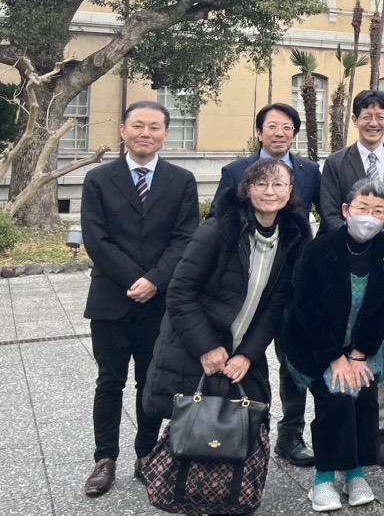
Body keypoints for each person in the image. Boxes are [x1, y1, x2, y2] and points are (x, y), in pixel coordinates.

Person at [144, 158, 310, 460]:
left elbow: (274, 306)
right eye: (261, 184)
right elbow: (180, 292)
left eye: (278, 184)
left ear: (290, 191)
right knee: (193, 427)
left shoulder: (291, 238)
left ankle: (229, 484)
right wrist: (206, 347)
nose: (269, 192)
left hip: (242, 348)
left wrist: (248, 353)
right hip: (197, 341)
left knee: (242, 424)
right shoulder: (219, 229)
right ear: (246, 188)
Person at [80, 101, 199, 498]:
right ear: (123, 130)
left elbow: (185, 238)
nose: (145, 133)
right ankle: (105, 458)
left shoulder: (182, 180)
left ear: (165, 133)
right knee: (109, 380)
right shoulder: (99, 179)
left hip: (159, 302)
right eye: (137, 126)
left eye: (154, 127)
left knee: (152, 380)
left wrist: (155, 280)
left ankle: (146, 453)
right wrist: (136, 279)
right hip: (111, 297)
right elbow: (96, 238)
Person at [210, 102, 322, 467]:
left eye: (287, 127)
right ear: (259, 132)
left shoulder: (309, 171)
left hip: (289, 284)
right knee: (242, 360)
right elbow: (216, 220)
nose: (280, 133)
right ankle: (236, 433)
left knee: (293, 363)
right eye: (272, 126)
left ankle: (290, 435)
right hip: (243, 285)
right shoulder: (236, 170)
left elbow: (325, 217)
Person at [284, 178, 384, 513]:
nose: (369, 217)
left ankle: (355, 472)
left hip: (362, 345)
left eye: (377, 211)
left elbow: (383, 307)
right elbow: (306, 308)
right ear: (347, 210)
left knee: (363, 393)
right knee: (336, 397)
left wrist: (359, 354)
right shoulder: (319, 249)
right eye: (362, 208)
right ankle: (323, 478)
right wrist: (335, 357)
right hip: (317, 344)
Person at [320, 88, 384, 467]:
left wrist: (382, 244)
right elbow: (330, 211)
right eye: (366, 115)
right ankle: (345, 419)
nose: (373, 122)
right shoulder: (336, 163)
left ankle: (381, 428)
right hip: (343, 271)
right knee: (343, 347)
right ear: (355, 119)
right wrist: (355, 242)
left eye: (381, 116)